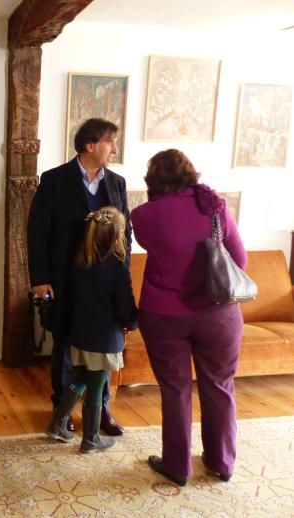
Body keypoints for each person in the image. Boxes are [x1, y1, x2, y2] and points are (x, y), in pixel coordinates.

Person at [131, 149, 246, 486]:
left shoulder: (143, 215)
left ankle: (177, 465)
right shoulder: (216, 207)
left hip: (164, 315)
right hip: (218, 314)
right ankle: (221, 462)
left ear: (153, 180)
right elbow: (239, 259)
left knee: (175, 390)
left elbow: (151, 243)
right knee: (220, 387)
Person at [27, 118, 131, 435]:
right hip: (64, 280)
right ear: (90, 145)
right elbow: (37, 233)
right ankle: (63, 410)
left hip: (105, 284)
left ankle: (101, 410)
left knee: (103, 348)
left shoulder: (117, 183)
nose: (114, 148)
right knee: (66, 345)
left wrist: (122, 277)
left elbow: (126, 232)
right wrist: (40, 279)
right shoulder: (54, 180)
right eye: (110, 142)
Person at [45, 207, 137, 452]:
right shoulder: (118, 269)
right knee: (96, 385)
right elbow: (125, 307)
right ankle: (91, 439)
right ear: (119, 237)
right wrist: (133, 322)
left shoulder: (79, 265)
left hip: (81, 335)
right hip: (105, 339)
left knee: (82, 378)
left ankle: (58, 422)